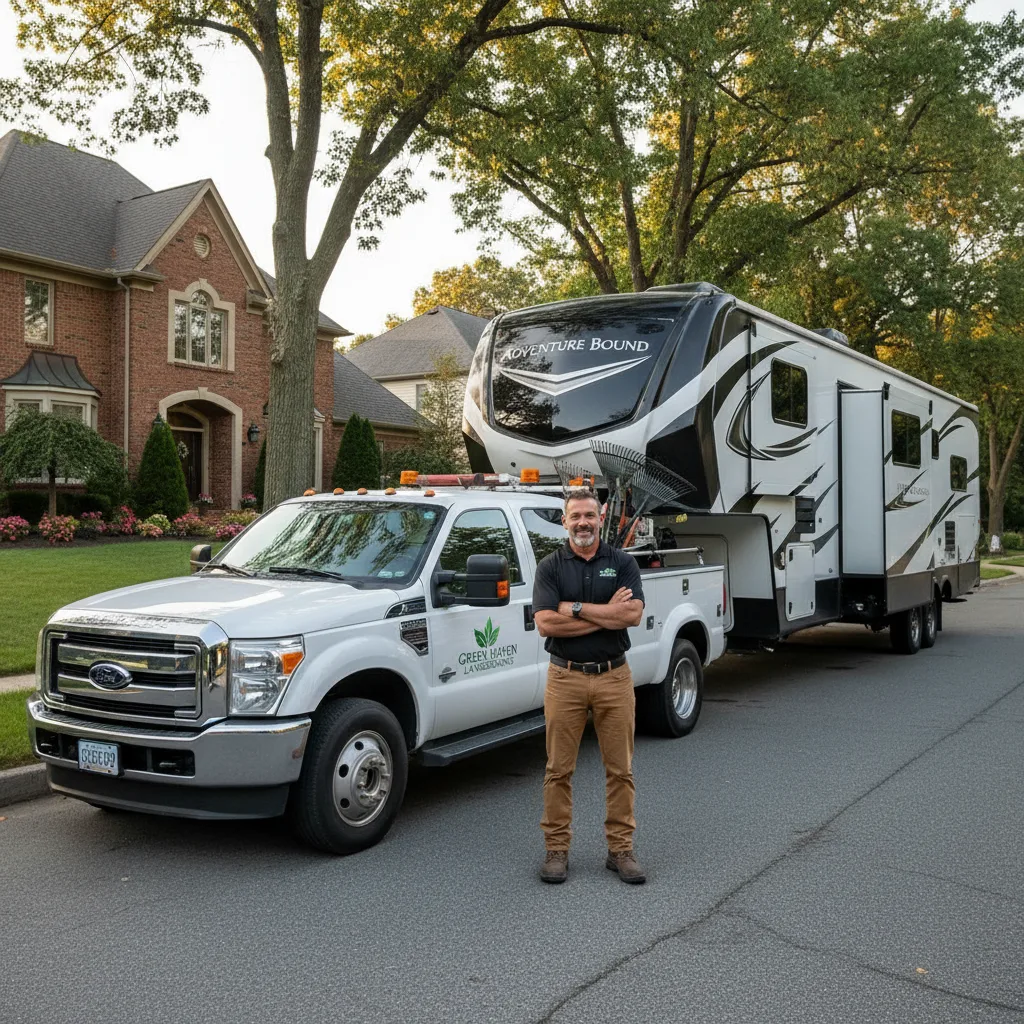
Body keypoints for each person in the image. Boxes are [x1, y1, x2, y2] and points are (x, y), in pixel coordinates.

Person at [532, 488, 646, 884]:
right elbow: (546, 623)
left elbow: (631, 614)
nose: (582, 522)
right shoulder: (550, 566)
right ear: (564, 522)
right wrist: (606, 614)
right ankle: (556, 850)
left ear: (601, 519)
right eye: (575, 516)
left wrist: (576, 608)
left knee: (620, 769)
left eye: (589, 515)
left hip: (615, 677)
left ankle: (621, 850)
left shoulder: (622, 562)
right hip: (565, 677)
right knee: (558, 769)